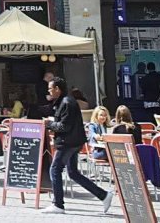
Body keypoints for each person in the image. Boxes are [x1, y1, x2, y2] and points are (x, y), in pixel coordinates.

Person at [44, 76, 114, 215]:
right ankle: (104, 195)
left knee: (55, 169)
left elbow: (65, 126)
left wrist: (49, 124)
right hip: (74, 141)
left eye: (50, 89)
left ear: (57, 89)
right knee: (73, 173)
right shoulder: (66, 101)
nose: (49, 91)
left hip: (67, 143)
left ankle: (58, 204)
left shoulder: (66, 102)